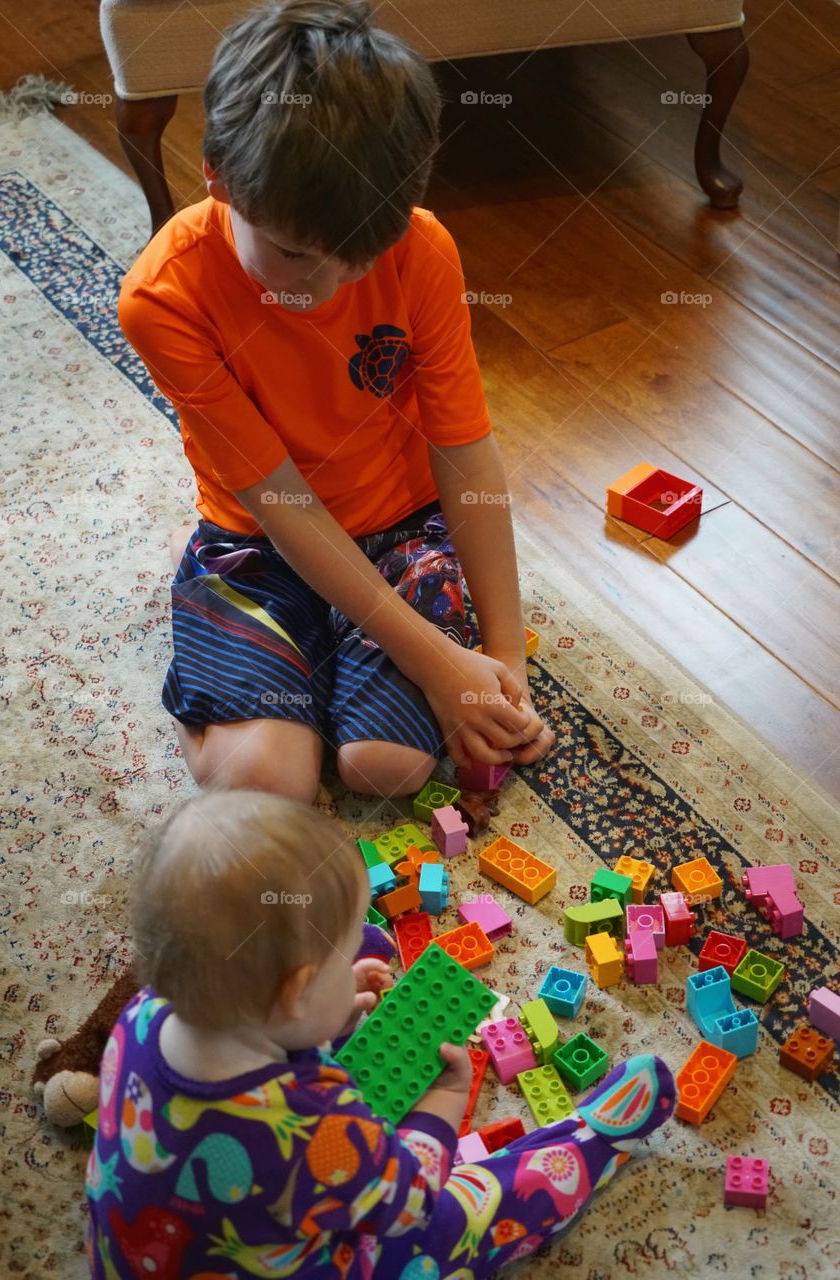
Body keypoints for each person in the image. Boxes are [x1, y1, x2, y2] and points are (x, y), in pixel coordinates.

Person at [118, 0, 555, 802]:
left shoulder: (422, 247)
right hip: (261, 538)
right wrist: (434, 659)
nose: (323, 289)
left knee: (382, 768)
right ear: (215, 171)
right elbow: (279, 500)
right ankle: (223, 707)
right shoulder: (163, 298)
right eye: (293, 254)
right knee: (265, 783)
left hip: (402, 529)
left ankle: (312, 692)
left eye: (359, 260)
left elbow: (463, 450)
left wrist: (500, 657)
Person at [85, 791, 677, 1278]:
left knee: (356, 958)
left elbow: (264, 1031)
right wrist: (443, 1103)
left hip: (143, 1258)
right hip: (300, 1255)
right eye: (334, 967)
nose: (354, 967)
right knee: (460, 1217)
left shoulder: (141, 1017)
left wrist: (327, 1008)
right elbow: (410, 1199)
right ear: (295, 995)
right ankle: (595, 1138)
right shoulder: (317, 1126)